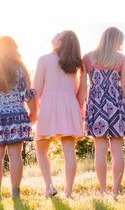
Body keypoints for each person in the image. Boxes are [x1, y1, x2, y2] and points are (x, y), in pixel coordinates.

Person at [0, 36, 37, 201]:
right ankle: (16, 194)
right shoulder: (20, 69)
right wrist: (34, 113)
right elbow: (27, 94)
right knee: (16, 155)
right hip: (16, 114)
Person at [78, 27, 125, 198]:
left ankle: (103, 191)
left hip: (96, 105)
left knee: (100, 149)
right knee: (117, 150)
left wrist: (81, 108)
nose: (121, 45)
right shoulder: (121, 59)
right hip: (116, 104)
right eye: (120, 42)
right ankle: (116, 191)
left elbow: (83, 86)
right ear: (116, 41)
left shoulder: (87, 58)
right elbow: (124, 86)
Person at [33, 31, 84, 198]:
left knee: (41, 149)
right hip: (69, 105)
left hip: (49, 105)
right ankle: (68, 192)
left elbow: (37, 89)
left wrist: (33, 110)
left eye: (58, 34)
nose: (54, 35)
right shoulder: (76, 63)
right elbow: (80, 90)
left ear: (60, 42)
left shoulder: (44, 59)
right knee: (69, 150)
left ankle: (49, 187)